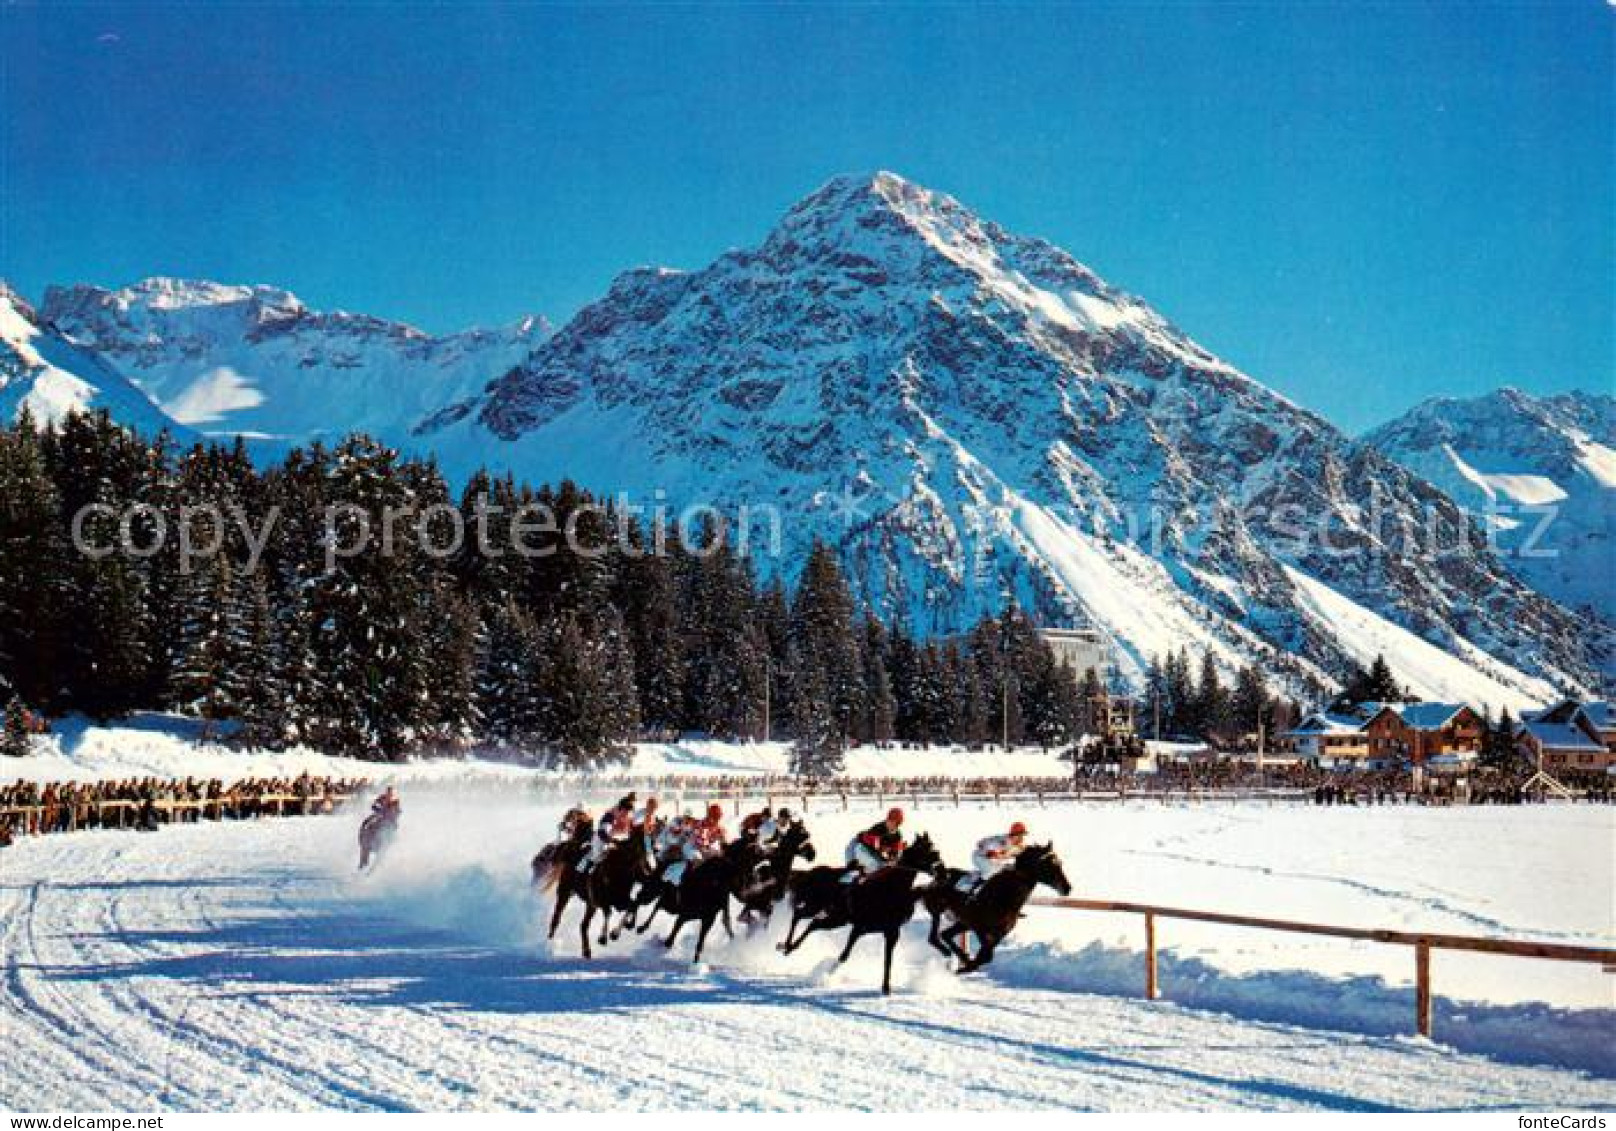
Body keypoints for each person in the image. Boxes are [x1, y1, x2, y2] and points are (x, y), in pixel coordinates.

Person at [665, 804, 727, 887]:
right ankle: (672, 872)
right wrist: (709, 851)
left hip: (704, 847)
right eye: (715, 816)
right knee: (698, 860)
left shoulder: (718, 827)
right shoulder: (702, 824)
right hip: (691, 847)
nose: (717, 820)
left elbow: (723, 843)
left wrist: (722, 844)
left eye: (718, 817)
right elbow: (700, 842)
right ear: (710, 815)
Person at [961, 821, 1028, 892]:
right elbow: (980, 843)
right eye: (1021, 835)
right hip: (980, 857)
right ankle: (974, 889)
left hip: (993, 861)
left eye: (1023, 835)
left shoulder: (1018, 847)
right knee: (990, 871)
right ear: (1014, 835)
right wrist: (990, 853)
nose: (1022, 838)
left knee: (1008, 871)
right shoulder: (1001, 841)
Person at [843, 807, 905, 880]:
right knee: (873, 866)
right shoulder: (878, 829)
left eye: (896, 823)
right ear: (887, 819)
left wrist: (893, 857)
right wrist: (886, 855)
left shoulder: (898, 835)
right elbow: (875, 848)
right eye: (890, 820)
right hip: (857, 847)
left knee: (883, 867)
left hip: (870, 850)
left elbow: (895, 852)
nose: (892, 824)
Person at [584, 795, 636, 870]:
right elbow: (602, 832)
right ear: (621, 809)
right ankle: (585, 872)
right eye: (626, 812)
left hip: (619, 842)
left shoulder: (629, 817)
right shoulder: (609, 816)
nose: (626, 815)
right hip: (602, 840)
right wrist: (609, 842)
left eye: (629, 812)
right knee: (597, 858)